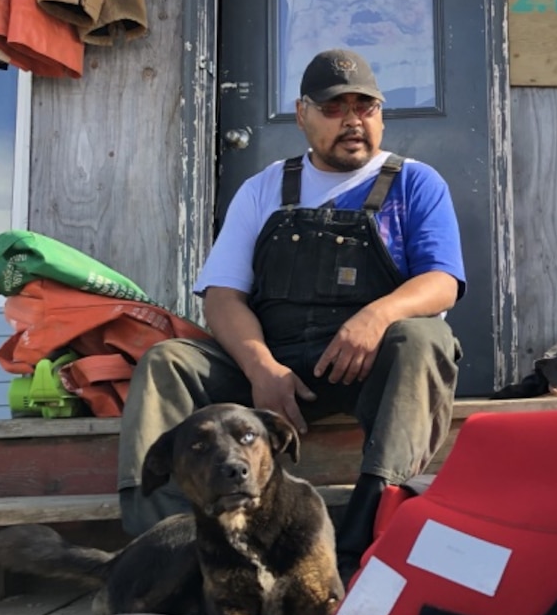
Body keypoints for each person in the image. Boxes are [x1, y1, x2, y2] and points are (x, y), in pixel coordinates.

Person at [119, 48, 465, 579]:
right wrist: (261, 368)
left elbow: (442, 281)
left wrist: (376, 317)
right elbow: (222, 297)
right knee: (168, 362)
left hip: (370, 372)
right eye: (334, 108)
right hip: (273, 374)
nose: (353, 120)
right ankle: (170, 550)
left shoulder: (416, 184)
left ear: (381, 113)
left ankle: (366, 534)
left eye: (365, 106)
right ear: (302, 114)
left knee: (424, 341)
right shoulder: (264, 189)